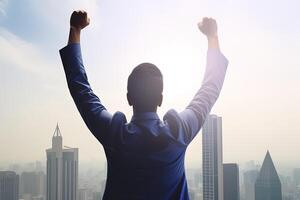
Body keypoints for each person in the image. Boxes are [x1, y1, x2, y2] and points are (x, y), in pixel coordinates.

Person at [60, 10, 228, 200]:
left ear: (129, 98)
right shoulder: (178, 132)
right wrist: (212, 37)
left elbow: (81, 90)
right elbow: (209, 90)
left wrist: (75, 29)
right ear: (161, 99)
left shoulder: (115, 135)